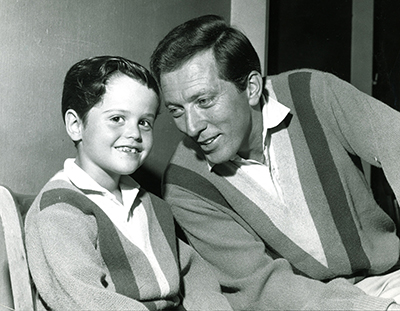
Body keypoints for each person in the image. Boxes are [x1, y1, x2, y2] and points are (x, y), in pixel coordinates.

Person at [150, 15, 400, 310]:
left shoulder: (312, 93)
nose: (191, 127)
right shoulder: (184, 184)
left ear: (252, 88)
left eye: (204, 101)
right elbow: (263, 286)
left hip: (387, 280)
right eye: (177, 110)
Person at [24, 56, 233, 311]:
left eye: (144, 122)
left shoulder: (153, 206)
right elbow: (84, 300)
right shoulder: (60, 210)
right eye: (117, 119)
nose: (134, 133)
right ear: (76, 125)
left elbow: (193, 273)